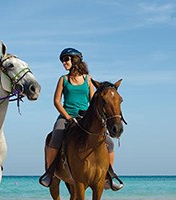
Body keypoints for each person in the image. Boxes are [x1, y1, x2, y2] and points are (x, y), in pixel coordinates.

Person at [39, 48, 123, 190]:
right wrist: (67, 117)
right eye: (62, 60)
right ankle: (49, 173)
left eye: (66, 59)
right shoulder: (63, 79)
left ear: (75, 60)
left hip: (85, 118)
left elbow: (93, 100)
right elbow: (57, 102)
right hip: (66, 118)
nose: (63, 63)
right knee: (55, 138)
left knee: (109, 143)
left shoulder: (88, 80)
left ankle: (108, 176)